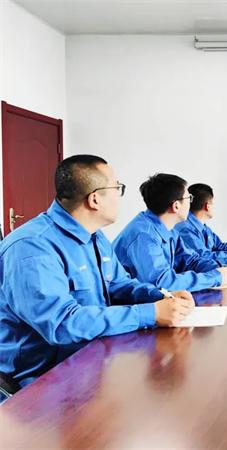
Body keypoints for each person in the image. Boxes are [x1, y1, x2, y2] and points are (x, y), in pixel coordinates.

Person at [0, 155, 194, 389]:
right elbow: (62, 324)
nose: (119, 196)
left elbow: (119, 285)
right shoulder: (32, 248)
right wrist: (150, 314)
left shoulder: (95, 236)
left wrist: (160, 296)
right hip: (40, 382)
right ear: (94, 199)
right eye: (117, 188)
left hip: (90, 358)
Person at [113, 174, 227, 292]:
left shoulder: (169, 228)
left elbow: (190, 260)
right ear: (176, 206)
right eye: (189, 198)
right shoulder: (143, 236)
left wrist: (219, 269)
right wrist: (214, 277)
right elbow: (163, 282)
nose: (191, 203)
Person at [175, 183, 227, 266]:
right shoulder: (186, 229)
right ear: (207, 206)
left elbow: (220, 246)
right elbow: (204, 257)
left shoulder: (203, 227)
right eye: (213, 204)